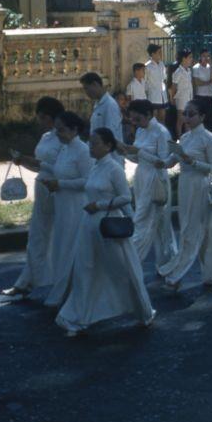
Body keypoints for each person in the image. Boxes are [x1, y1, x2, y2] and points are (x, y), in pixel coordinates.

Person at [53, 129, 155, 336]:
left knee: (124, 269)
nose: (91, 147)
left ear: (108, 146)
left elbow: (126, 197)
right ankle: (76, 319)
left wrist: (100, 205)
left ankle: (144, 312)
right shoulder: (95, 167)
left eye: (95, 144)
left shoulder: (114, 169)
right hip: (89, 226)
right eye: (90, 143)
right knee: (84, 270)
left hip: (108, 225)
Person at [157, 99, 212, 290]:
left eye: (191, 114)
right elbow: (170, 161)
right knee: (199, 230)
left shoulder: (208, 138)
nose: (187, 117)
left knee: (193, 230)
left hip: (202, 185)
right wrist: (148, 158)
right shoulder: (185, 138)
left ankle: (176, 276)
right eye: (185, 113)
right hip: (186, 185)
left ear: (202, 116)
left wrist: (193, 162)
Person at [3, 96, 66, 297]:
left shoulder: (64, 138)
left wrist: (30, 161)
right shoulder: (46, 137)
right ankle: (26, 280)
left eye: (42, 117)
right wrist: (21, 161)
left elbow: (58, 167)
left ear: (50, 117)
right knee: (37, 234)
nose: (40, 121)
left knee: (58, 237)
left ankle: (61, 281)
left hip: (59, 189)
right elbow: (39, 165)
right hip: (42, 187)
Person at [117, 100, 178, 268]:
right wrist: (126, 152)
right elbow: (137, 159)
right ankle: (169, 265)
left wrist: (140, 152)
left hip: (156, 179)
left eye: (138, 119)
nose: (135, 123)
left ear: (149, 115)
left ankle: (129, 264)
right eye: (133, 120)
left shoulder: (161, 132)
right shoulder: (141, 132)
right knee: (161, 227)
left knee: (143, 222)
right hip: (142, 178)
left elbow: (164, 162)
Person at [43, 112, 93, 308]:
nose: (58, 134)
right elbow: (58, 169)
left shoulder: (82, 150)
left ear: (74, 130)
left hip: (76, 206)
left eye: (62, 130)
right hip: (62, 205)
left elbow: (88, 181)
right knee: (61, 247)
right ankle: (63, 290)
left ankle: (70, 293)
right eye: (56, 130)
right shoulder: (64, 149)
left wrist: (60, 184)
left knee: (71, 250)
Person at [80, 71, 123, 163]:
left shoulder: (110, 105)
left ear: (95, 84)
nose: (86, 92)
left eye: (87, 88)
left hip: (110, 158)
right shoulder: (97, 104)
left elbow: (110, 134)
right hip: (99, 156)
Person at [192, 48, 212, 132]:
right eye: (204, 56)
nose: (206, 58)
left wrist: (210, 68)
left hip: (210, 96)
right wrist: (208, 82)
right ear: (200, 57)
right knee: (201, 118)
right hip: (201, 96)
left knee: (211, 119)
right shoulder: (196, 68)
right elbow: (197, 82)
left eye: (208, 56)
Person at [171, 49, 194, 136]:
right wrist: (172, 98)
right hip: (181, 98)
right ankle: (179, 138)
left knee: (187, 119)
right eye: (189, 57)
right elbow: (174, 86)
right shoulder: (178, 72)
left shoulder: (189, 71)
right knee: (180, 119)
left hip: (189, 97)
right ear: (184, 58)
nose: (191, 59)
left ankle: (187, 137)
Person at [144, 44, 169, 117]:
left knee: (162, 117)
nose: (161, 54)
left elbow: (164, 78)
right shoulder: (147, 66)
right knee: (153, 118)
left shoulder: (162, 64)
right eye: (159, 52)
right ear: (153, 54)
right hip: (153, 96)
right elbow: (144, 82)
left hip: (163, 96)